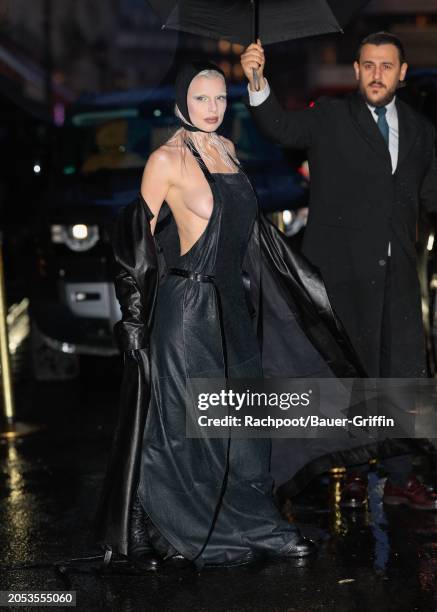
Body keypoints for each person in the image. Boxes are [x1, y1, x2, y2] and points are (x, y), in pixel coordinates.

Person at [91, 60, 376, 570]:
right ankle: (190, 528)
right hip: (187, 313)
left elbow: (251, 240)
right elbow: (135, 246)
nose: (213, 108)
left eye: (221, 98)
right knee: (190, 432)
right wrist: (134, 320)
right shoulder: (165, 160)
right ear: (182, 101)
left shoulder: (228, 151)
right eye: (201, 98)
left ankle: (257, 524)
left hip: (231, 308)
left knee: (246, 430)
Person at [241, 31, 437, 510]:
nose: (376, 74)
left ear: (402, 73)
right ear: (355, 71)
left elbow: (430, 197)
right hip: (340, 275)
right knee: (346, 376)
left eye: (386, 66)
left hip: (396, 278)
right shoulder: (329, 118)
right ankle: (348, 470)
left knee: (399, 376)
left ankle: (398, 476)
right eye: (368, 65)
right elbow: (281, 130)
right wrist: (256, 79)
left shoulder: (419, 131)